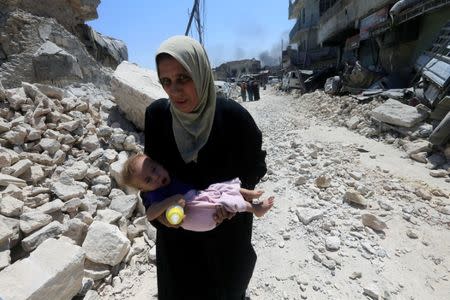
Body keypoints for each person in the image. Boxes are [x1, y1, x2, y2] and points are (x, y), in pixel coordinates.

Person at [145, 35, 267, 299]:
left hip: (225, 239)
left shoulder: (234, 117)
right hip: (176, 241)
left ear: (200, 72)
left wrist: (233, 200)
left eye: (183, 78)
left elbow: (255, 165)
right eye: (166, 81)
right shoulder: (157, 118)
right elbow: (147, 177)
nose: (174, 90)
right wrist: (161, 214)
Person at [121, 153, 274, 232]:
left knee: (220, 186)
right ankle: (255, 209)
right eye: (148, 180)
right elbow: (150, 214)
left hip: (201, 199)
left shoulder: (172, 175)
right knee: (224, 200)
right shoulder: (156, 194)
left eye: (154, 169)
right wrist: (173, 200)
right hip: (195, 214)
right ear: (144, 190)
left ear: (159, 163)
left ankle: (247, 193)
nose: (156, 176)